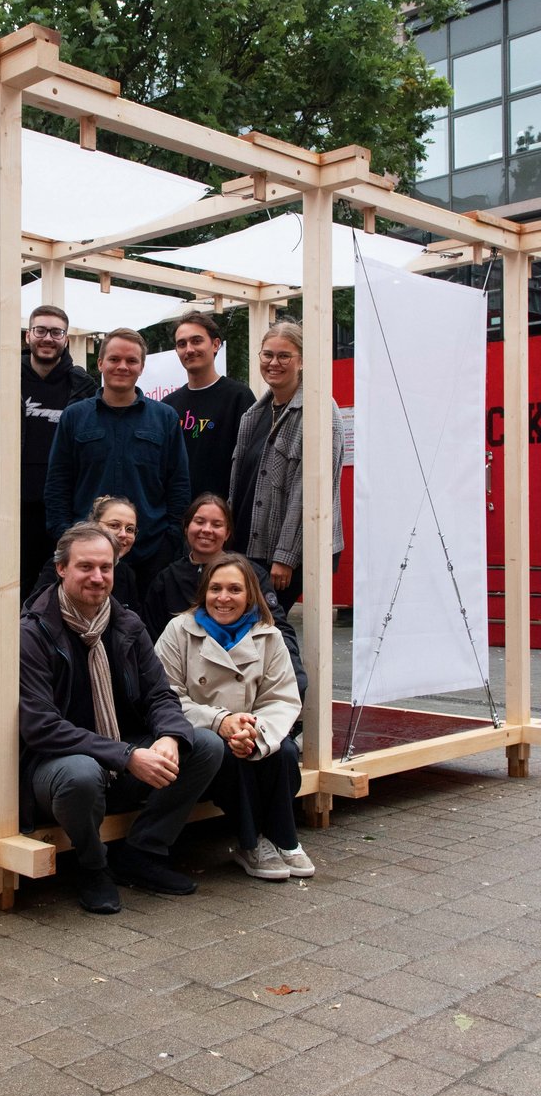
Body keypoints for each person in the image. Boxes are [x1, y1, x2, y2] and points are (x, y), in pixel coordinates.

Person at [19, 522, 224, 915]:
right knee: (81, 774)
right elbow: (40, 726)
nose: (97, 577)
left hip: (120, 755)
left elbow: (160, 695)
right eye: (85, 567)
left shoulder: (127, 623)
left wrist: (169, 737)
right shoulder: (33, 632)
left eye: (106, 567)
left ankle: (141, 853)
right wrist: (127, 755)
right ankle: (92, 867)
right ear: (61, 568)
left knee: (206, 746)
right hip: (53, 766)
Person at [154, 553, 313, 882]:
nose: (223, 598)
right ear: (204, 592)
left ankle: (285, 840)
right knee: (224, 753)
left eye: (234, 590)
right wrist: (221, 721)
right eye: (215, 588)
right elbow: (164, 695)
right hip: (199, 733)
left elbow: (281, 697)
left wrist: (255, 733)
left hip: (249, 730)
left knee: (282, 752)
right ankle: (251, 841)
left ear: (250, 594)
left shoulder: (269, 635)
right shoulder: (178, 630)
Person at [44, 328, 190, 589]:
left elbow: (178, 484)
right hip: (86, 554)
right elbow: (58, 483)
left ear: (142, 367)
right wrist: (65, 535)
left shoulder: (165, 417)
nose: (122, 366)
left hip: (150, 553)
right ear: (100, 363)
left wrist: (170, 540)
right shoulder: (74, 417)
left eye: (131, 360)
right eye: (114, 359)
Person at [229, 320, 344, 614]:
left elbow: (312, 491)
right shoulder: (254, 413)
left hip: (283, 554)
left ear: (302, 360)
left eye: (284, 356)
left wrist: (286, 556)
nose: (274, 363)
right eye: (267, 355)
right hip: (249, 544)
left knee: (267, 628)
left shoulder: (319, 410)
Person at [143, 493, 306, 700]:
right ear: (186, 527)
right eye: (199, 522)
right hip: (189, 694)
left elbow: (276, 627)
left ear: (227, 532)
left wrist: (296, 681)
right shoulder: (166, 580)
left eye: (217, 524)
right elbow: (152, 640)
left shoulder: (252, 574)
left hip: (247, 693)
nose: (207, 530)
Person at [20, 304, 95, 597]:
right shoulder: (8, 377)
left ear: (65, 338)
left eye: (56, 332)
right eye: (40, 330)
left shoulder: (81, 384)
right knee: (17, 583)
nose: (47, 338)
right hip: (17, 507)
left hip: (65, 506)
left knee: (65, 584)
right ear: (28, 336)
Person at [163, 312, 254, 500]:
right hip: (178, 516)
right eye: (182, 344)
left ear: (215, 344)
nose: (189, 349)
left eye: (196, 341)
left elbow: (250, 465)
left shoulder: (239, 397)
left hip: (223, 516)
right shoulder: (168, 406)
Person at [30, 495, 141, 614]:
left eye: (130, 529)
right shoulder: (62, 564)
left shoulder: (127, 573)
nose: (123, 534)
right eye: (114, 525)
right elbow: (35, 614)